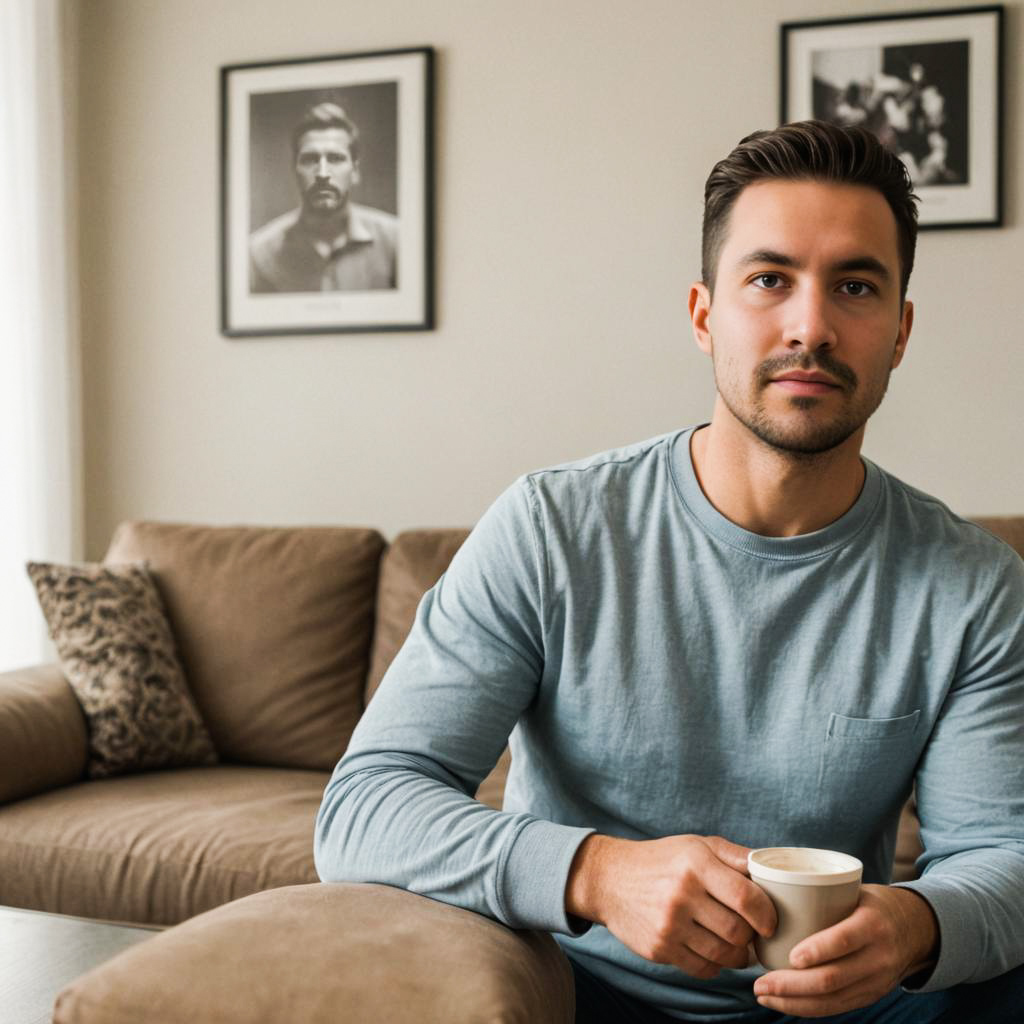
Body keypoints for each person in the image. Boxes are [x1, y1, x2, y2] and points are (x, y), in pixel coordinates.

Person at [314, 121, 1024, 1022]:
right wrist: (597, 873)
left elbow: (1003, 855)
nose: (811, 325)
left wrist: (918, 923)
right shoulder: (551, 529)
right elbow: (364, 809)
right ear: (703, 314)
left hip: (851, 1005)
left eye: (854, 286)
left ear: (899, 331)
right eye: (769, 280)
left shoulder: (974, 585)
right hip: (581, 991)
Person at [249, 102, 397, 293]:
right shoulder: (257, 255)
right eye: (310, 159)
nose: (322, 173)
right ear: (295, 170)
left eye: (335, 158)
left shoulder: (397, 242)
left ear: (355, 171)